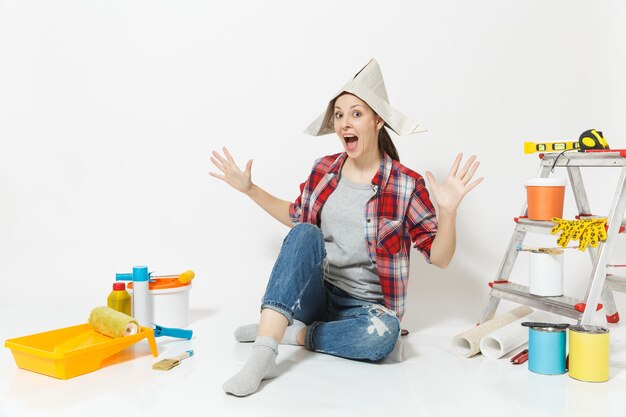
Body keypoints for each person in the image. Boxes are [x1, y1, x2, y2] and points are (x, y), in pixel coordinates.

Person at [209, 59, 482, 397]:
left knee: (386, 335)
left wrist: (449, 211)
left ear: (377, 121)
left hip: (362, 308)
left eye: (355, 113)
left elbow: (440, 258)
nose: (344, 123)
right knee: (306, 232)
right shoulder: (323, 169)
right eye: (339, 114)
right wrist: (250, 189)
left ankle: (293, 332)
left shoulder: (405, 184)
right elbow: (296, 218)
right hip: (317, 293)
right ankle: (264, 354)